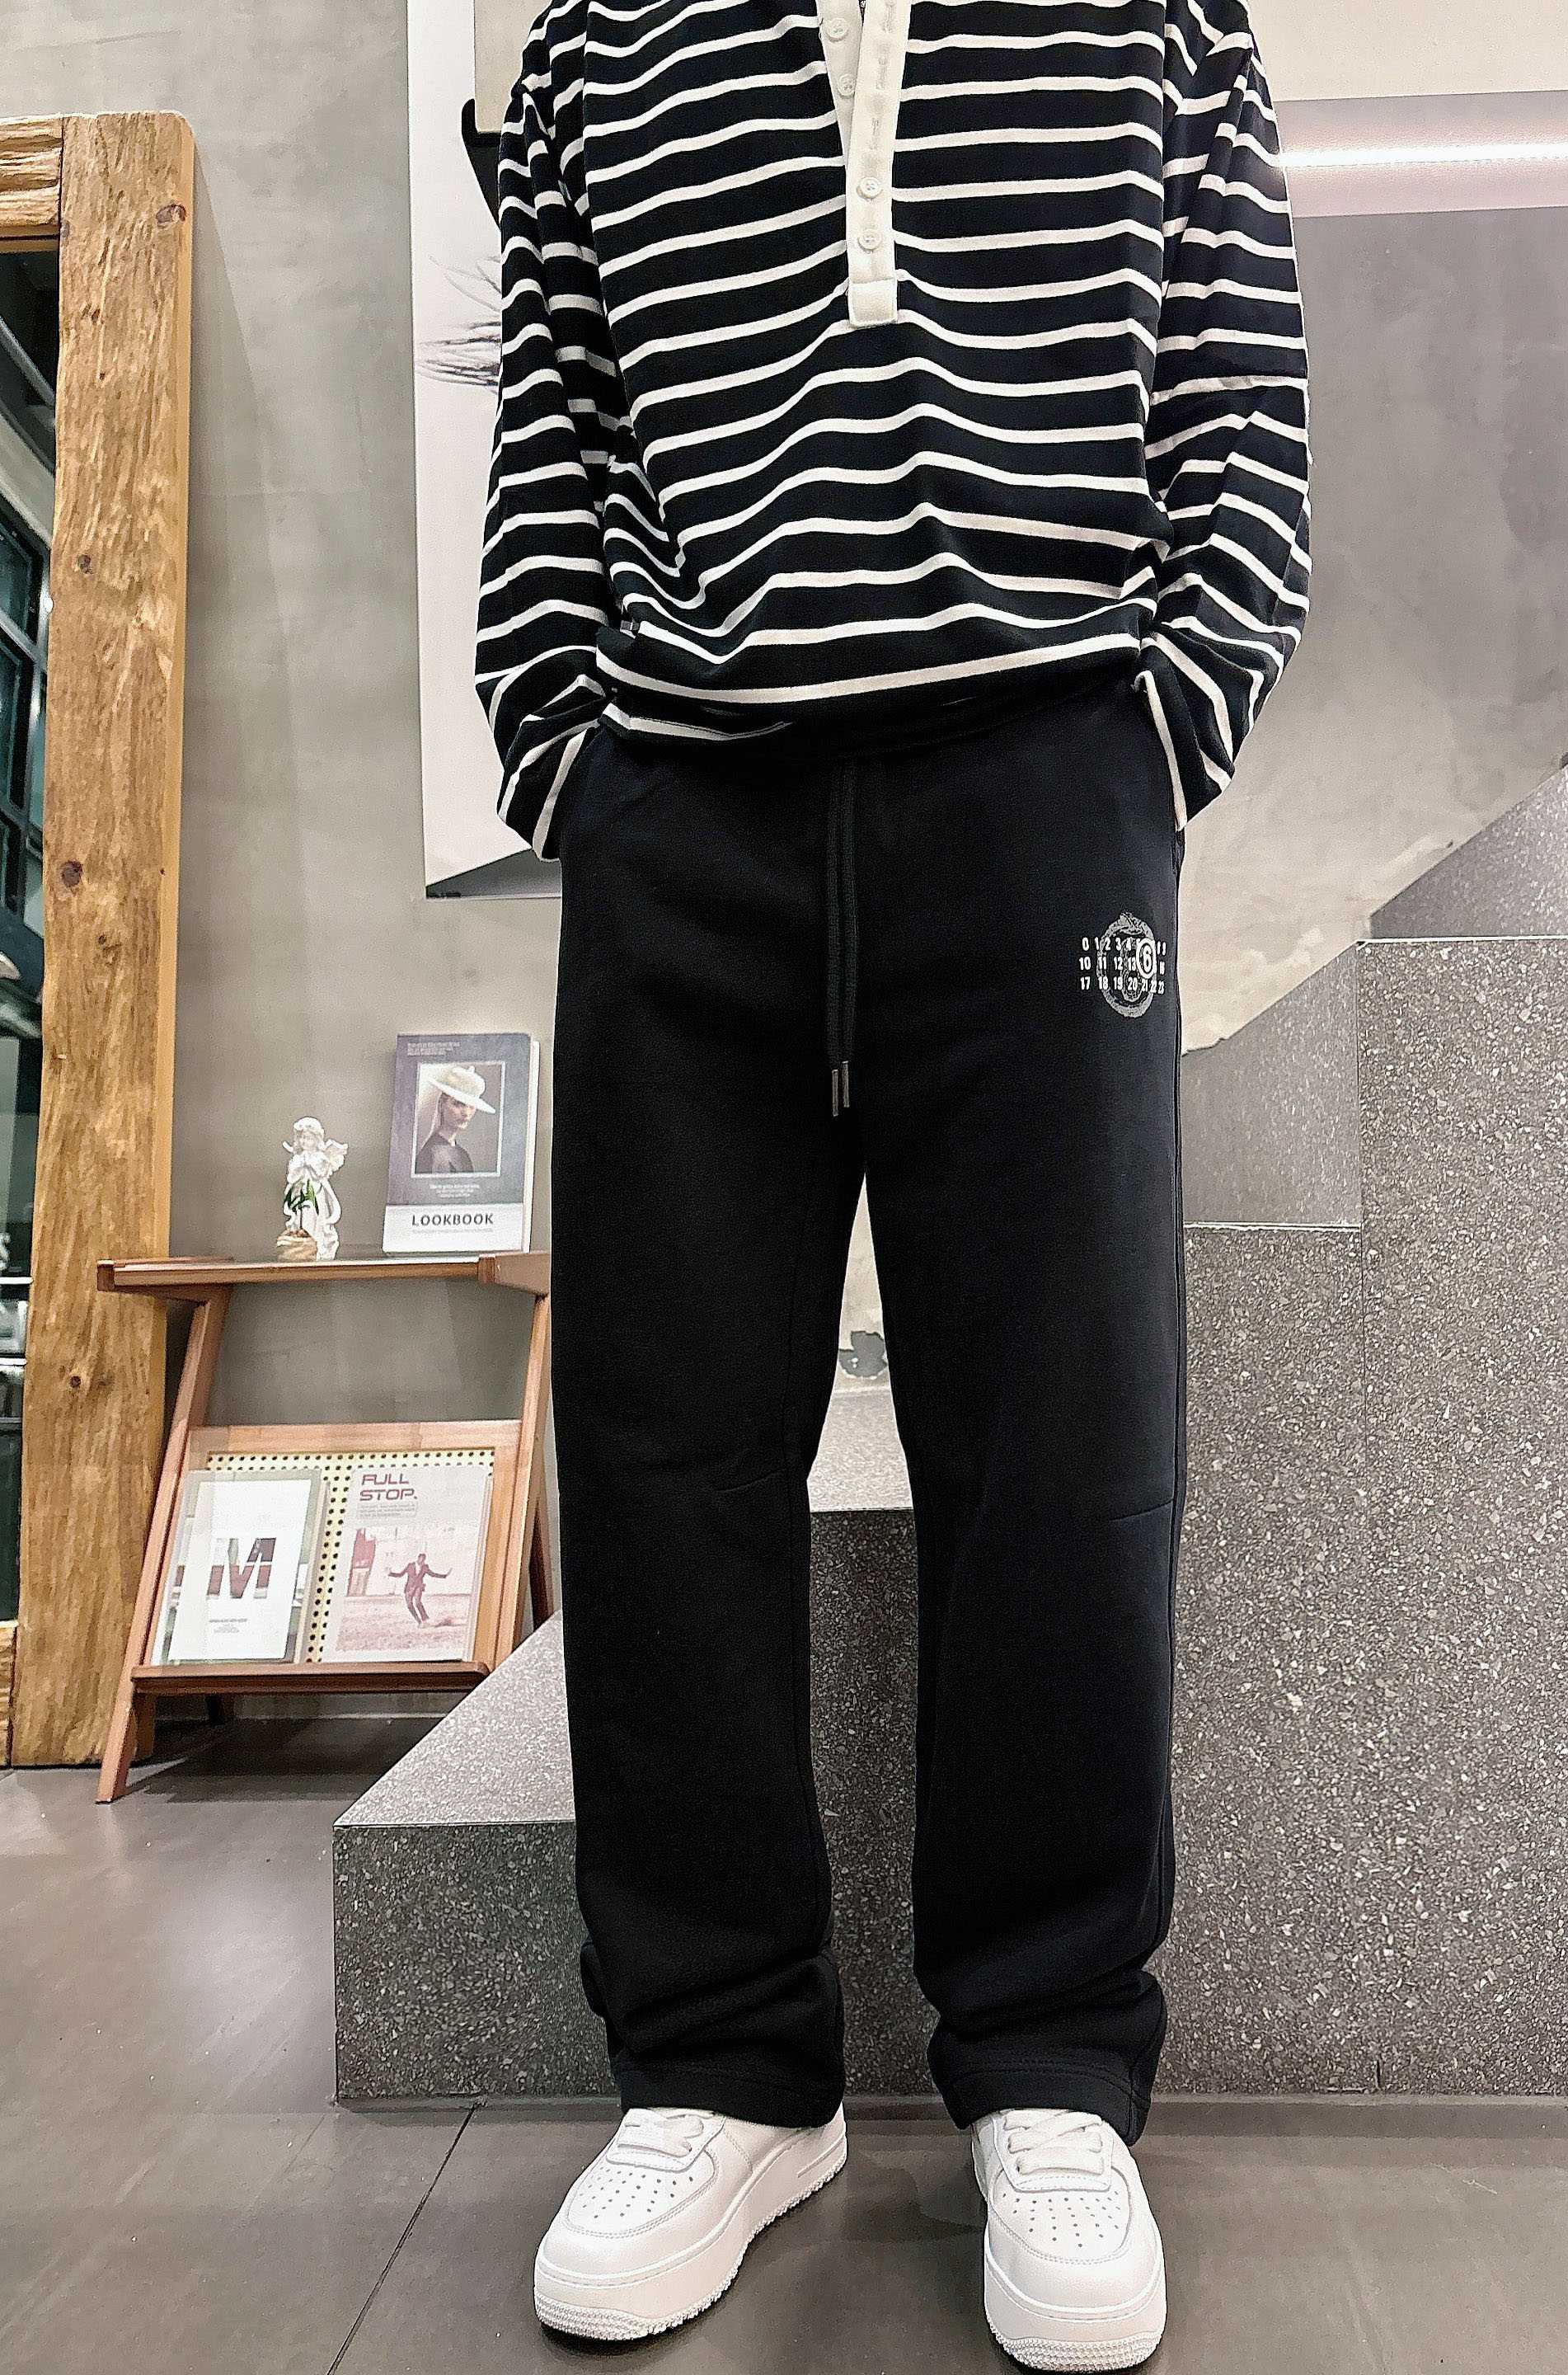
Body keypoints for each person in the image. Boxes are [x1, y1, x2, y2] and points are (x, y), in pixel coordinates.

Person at [476, 0, 1308, 2360]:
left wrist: (1160, 719)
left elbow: (1239, 384)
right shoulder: (607, 30)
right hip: (688, 801)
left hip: (1042, 784)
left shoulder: (1156, 12)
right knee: (664, 1448)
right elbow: (558, 410)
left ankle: (1050, 2064)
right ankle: (723, 2068)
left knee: (1066, 1447)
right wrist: (568, 753)